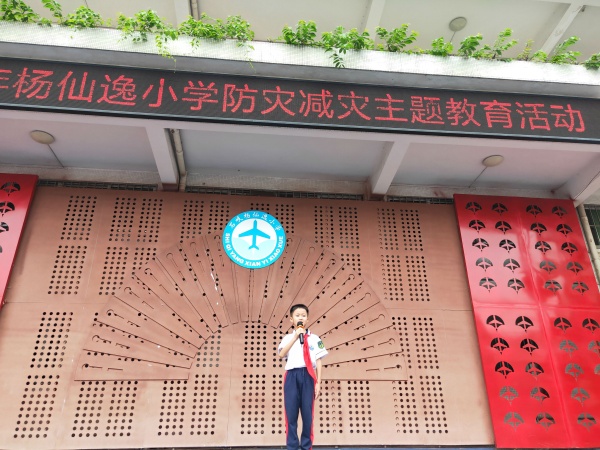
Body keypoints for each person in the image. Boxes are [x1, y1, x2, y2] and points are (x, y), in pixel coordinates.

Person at [278, 303, 327, 450]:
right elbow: (281, 354)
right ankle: (292, 446)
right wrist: (295, 337)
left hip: (309, 376)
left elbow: (319, 361)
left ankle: (306, 446)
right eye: (297, 315)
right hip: (292, 376)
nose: (301, 318)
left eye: (303, 315)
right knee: (291, 413)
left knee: (307, 414)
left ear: (307, 319)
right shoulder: (288, 338)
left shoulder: (315, 338)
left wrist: (318, 382)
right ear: (291, 319)